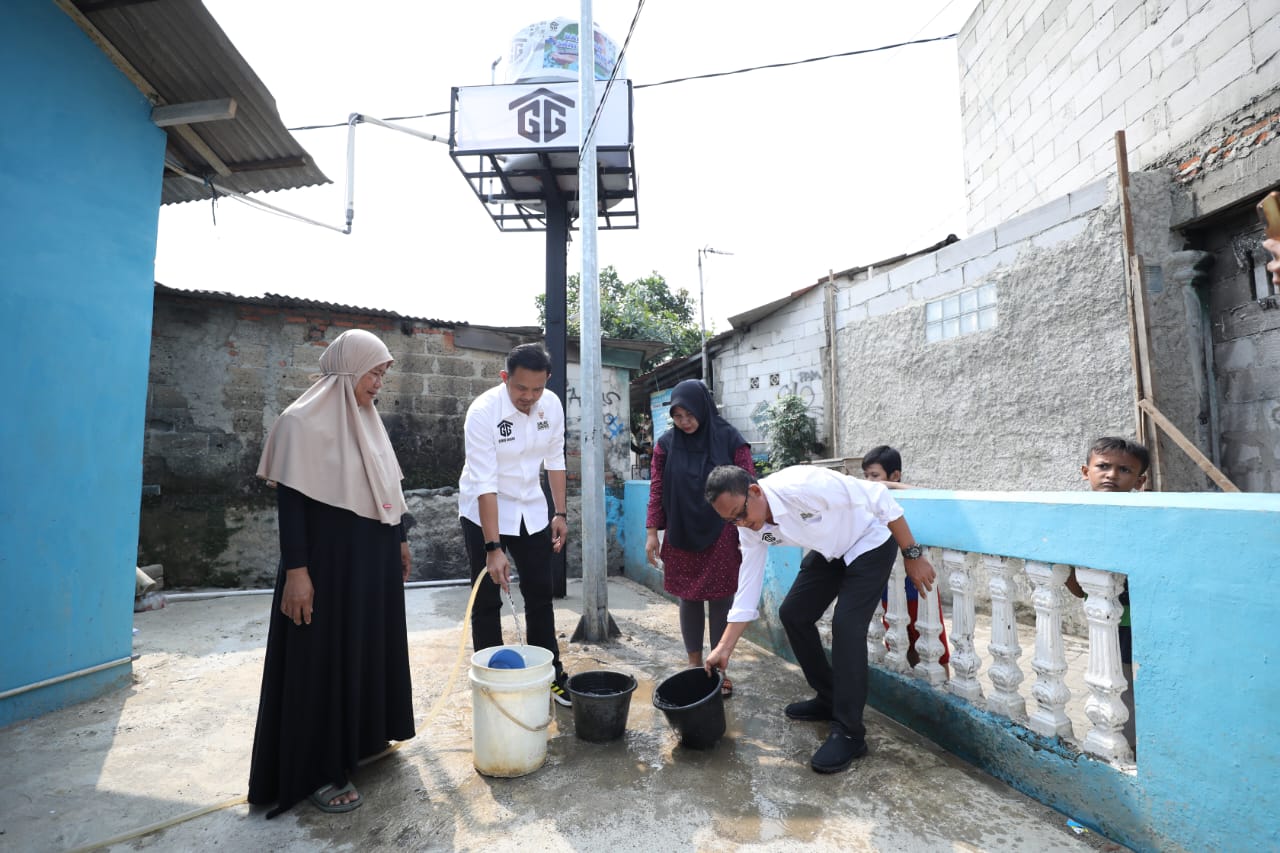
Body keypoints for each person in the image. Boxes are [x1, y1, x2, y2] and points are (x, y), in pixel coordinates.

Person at [248, 329, 415, 817]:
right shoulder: (299, 423)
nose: (378, 383)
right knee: (321, 661)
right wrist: (297, 571)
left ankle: (360, 740)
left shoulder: (368, 420)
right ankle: (319, 769)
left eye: (383, 374)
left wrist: (400, 538)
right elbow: (292, 504)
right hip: (326, 567)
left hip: (373, 563)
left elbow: (388, 485)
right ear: (347, 368)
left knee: (366, 649)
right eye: (374, 372)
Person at [704, 464, 937, 774]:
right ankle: (829, 698)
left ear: (755, 491)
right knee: (793, 614)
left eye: (740, 513)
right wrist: (724, 648)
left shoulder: (804, 485)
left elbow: (881, 498)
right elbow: (747, 587)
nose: (741, 523)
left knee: (847, 626)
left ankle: (850, 732)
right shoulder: (748, 526)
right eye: (730, 520)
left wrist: (912, 555)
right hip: (832, 551)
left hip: (869, 540)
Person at [458, 343, 572, 706]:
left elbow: (555, 460)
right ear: (505, 378)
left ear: (547, 381)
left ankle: (550, 673)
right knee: (488, 598)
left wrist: (560, 513)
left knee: (540, 591)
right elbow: (484, 483)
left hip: (532, 511)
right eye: (521, 388)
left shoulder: (550, 405)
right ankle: (494, 684)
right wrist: (493, 548)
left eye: (537, 389)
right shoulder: (483, 412)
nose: (530, 397)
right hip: (483, 512)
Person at [644, 380, 755, 697]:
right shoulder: (666, 445)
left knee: (722, 599)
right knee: (688, 598)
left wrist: (746, 527)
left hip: (722, 530)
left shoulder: (730, 439)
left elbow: (749, 484)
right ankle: (695, 667)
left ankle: (719, 670)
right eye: (677, 416)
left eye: (689, 414)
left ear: (703, 408)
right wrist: (653, 532)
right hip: (680, 529)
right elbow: (656, 488)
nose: (684, 422)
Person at [1068, 436, 1148, 752]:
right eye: (1103, 466)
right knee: (1110, 682)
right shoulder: (1079, 517)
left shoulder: (1142, 517)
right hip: (1105, 619)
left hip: (1138, 621)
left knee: (1129, 687)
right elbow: (1076, 587)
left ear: (1140, 481)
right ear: (1085, 471)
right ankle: (1121, 743)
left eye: (1124, 469)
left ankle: (1129, 747)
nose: (1111, 475)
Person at [861, 446, 950, 672]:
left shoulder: (906, 497)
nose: (870, 482)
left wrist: (888, 487)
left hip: (918, 585)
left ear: (895, 475)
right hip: (888, 586)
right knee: (900, 643)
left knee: (933, 649)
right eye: (867, 476)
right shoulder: (871, 502)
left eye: (875, 475)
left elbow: (932, 495)